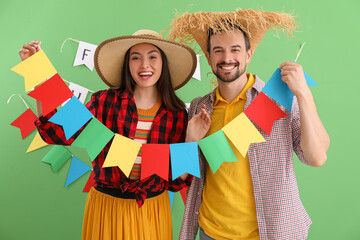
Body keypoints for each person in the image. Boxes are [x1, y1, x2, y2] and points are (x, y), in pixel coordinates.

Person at [19, 29, 197, 240]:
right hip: (106, 209)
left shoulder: (176, 115)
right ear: (127, 64)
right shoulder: (104, 102)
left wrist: (193, 141)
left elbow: (176, 183)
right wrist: (37, 73)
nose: (144, 65)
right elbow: (54, 132)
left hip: (152, 213)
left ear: (163, 64)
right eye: (136, 57)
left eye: (152, 57)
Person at [168, 9, 330, 240]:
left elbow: (316, 158)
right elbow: (181, 176)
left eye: (235, 49)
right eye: (218, 51)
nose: (227, 58)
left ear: (248, 54)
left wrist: (303, 94)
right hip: (210, 232)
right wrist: (190, 141)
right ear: (209, 56)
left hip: (270, 233)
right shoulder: (199, 107)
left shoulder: (278, 100)